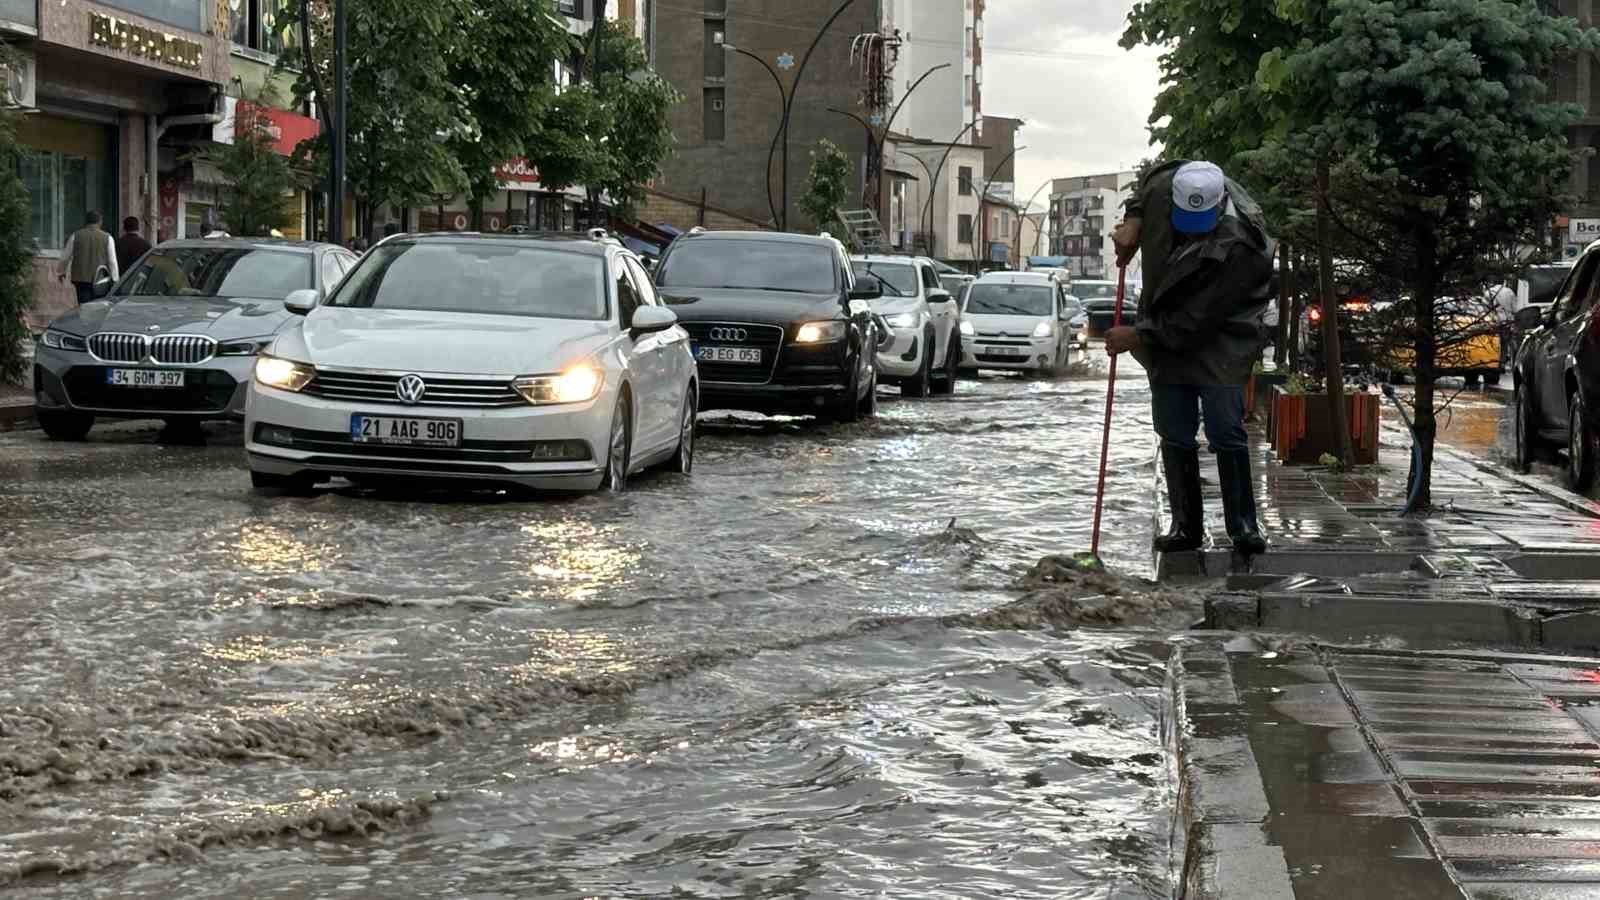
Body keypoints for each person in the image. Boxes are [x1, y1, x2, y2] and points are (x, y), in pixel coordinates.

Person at [1105, 161, 1275, 557]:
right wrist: (1133, 220)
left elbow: (1198, 320)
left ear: (1220, 206)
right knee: (1174, 429)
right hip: (1165, 331)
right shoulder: (1170, 187)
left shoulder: (1245, 247)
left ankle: (1243, 527)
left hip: (1222, 338)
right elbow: (1152, 181)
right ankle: (1186, 527)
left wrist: (1136, 335)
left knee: (1224, 429)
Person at [58, 211, 118, 305]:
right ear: (100, 222)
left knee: (83, 306)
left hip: (80, 278)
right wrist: (115, 279)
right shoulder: (108, 238)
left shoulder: (75, 235)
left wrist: (61, 272)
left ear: (86, 222)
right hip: (100, 278)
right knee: (98, 305)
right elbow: (112, 261)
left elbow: (65, 257)